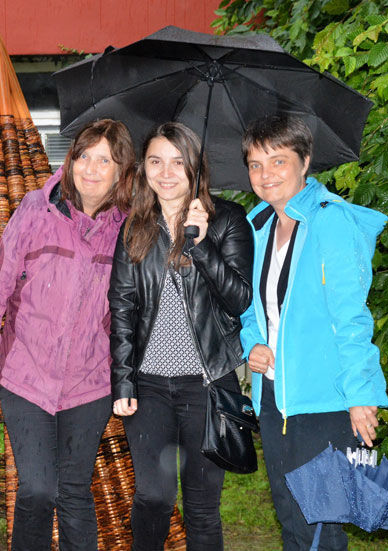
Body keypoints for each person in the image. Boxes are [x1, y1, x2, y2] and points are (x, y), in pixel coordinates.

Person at [0, 119, 135, 550]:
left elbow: (134, 307)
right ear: (71, 159)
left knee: (74, 491)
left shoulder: (129, 229)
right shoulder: (36, 210)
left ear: (120, 172)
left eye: (105, 160)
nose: (91, 169)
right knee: (37, 489)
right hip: (27, 374)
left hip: (90, 381)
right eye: (84, 157)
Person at [239, 113, 388, 551]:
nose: (266, 175)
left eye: (278, 161)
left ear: (305, 162)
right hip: (274, 398)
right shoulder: (257, 226)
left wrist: (361, 396)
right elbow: (251, 310)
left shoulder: (331, 222)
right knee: (290, 515)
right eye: (255, 164)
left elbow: (352, 317)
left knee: (321, 523)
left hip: (326, 399)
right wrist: (254, 346)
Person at [108, 121, 253, 551]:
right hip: (149, 386)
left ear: (195, 168)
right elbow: (121, 308)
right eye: (156, 161)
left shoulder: (227, 220)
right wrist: (124, 381)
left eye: (177, 162)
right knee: (153, 496)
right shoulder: (135, 227)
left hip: (208, 387)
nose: (166, 172)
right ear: (144, 168)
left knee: (202, 507)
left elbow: (239, 300)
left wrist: (201, 244)